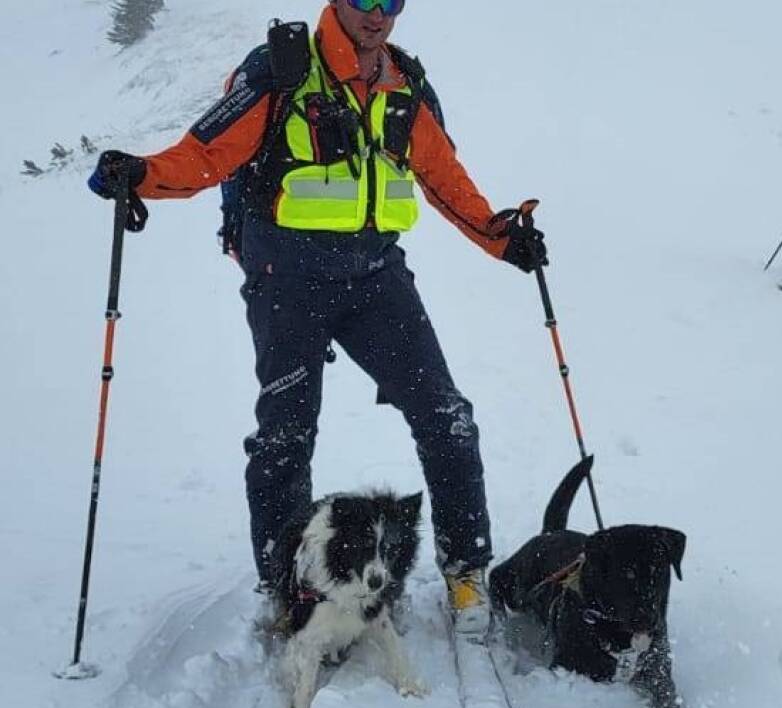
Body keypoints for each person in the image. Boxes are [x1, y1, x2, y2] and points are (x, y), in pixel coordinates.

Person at [86, 0, 547, 631]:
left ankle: (466, 573)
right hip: (288, 279)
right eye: (365, 0)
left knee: (447, 418)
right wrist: (140, 175)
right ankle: (289, 587)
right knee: (286, 433)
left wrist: (501, 238)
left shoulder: (404, 84)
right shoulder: (282, 70)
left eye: (391, 2)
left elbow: (444, 177)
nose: (378, 15)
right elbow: (207, 155)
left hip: (376, 277)